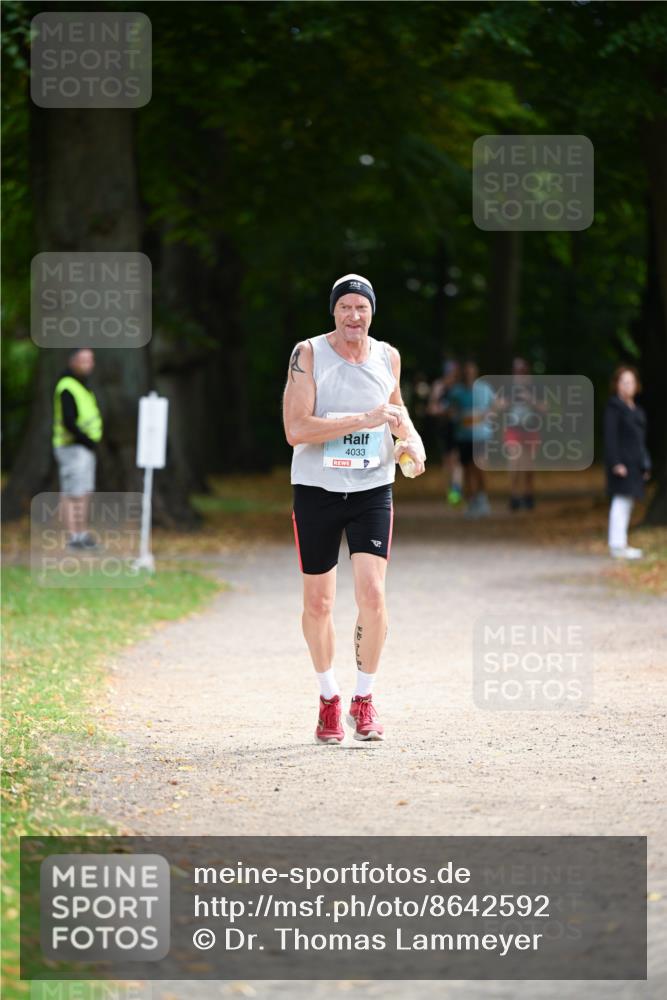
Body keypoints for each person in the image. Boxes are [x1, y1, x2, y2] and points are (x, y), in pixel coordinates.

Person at [282, 274, 426, 744]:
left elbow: (396, 410)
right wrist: (362, 421)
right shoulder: (308, 355)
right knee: (319, 602)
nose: (353, 316)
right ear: (334, 313)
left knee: (374, 596)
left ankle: (364, 700)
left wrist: (411, 443)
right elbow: (296, 429)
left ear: (372, 312)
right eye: (344, 307)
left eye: (361, 308)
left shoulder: (388, 357)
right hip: (317, 490)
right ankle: (329, 698)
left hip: (371, 490)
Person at [52, 348, 103, 549]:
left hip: (82, 449)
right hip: (72, 448)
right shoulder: (67, 387)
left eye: (91, 360)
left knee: (83, 492)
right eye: (84, 360)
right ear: (73, 361)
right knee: (74, 493)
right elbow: (68, 421)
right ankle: (74, 537)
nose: (89, 364)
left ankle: (81, 534)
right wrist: (86, 441)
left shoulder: (82, 386)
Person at [604, 365, 650, 559]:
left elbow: (640, 441)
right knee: (620, 502)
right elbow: (610, 438)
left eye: (630, 382)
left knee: (628, 503)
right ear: (617, 385)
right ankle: (617, 544)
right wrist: (616, 462)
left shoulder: (637, 410)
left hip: (634, 463)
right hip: (621, 463)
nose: (627, 386)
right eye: (623, 382)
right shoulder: (614, 408)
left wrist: (644, 464)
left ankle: (621, 542)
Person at [446, 360, 495, 518]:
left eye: (471, 371)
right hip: (463, 436)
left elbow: (495, 406)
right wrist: (452, 415)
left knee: (479, 466)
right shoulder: (457, 392)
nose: (468, 374)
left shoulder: (484, 388)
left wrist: (488, 415)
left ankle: (483, 499)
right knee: (466, 469)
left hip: (481, 435)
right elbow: (452, 411)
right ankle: (471, 500)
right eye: (466, 371)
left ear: (475, 372)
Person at [427, 359, 463, 505]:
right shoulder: (439, 386)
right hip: (444, 427)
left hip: (459, 428)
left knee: (457, 459)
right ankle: (451, 490)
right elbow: (431, 408)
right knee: (447, 461)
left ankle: (456, 490)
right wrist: (442, 411)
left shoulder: (460, 388)